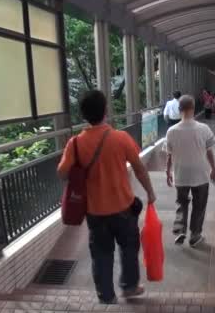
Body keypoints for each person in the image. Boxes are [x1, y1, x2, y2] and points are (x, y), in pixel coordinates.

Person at [57, 90, 157, 304]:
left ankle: (106, 297)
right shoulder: (120, 138)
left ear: (84, 115)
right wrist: (150, 192)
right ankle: (129, 287)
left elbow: (62, 173)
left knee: (101, 255)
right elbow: (139, 168)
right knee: (129, 249)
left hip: (95, 212)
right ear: (106, 111)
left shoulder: (75, 143)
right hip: (123, 207)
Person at [165, 95, 215, 247]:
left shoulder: (171, 131)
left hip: (180, 174)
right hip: (200, 175)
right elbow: (209, 152)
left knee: (182, 202)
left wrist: (167, 172)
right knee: (199, 205)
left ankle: (181, 229)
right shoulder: (204, 129)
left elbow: (169, 156)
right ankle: (195, 235)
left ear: (179, 109)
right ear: (194, 109)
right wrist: (213, 169)